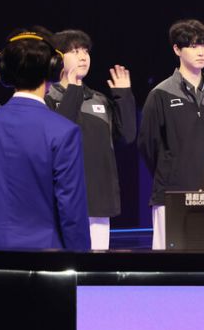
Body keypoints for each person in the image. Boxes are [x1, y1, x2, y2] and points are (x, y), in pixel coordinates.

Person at [0, 29, 90, 250]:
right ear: (53, 70)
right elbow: (71, 209)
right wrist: (79, 259)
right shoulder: (64, 131)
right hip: (46, 256)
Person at [138, 19, 204, 250]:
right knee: (170, 265)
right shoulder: (160, 94)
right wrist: (171, 171)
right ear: (177, 49)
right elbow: (148, 144)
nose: (201, 52)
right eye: (193, 46)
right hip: (171, 195)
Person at [46, 29, 137, 250]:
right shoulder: (47, 98)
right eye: (75, 51)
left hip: (98, 199)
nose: (83, 57)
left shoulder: (99, 99)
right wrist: (72, 89)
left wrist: (123, 96)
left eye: (85, 51)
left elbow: (128, 136)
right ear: (58, 58)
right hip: (62, 200)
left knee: (96, 263)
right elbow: (59, 134)